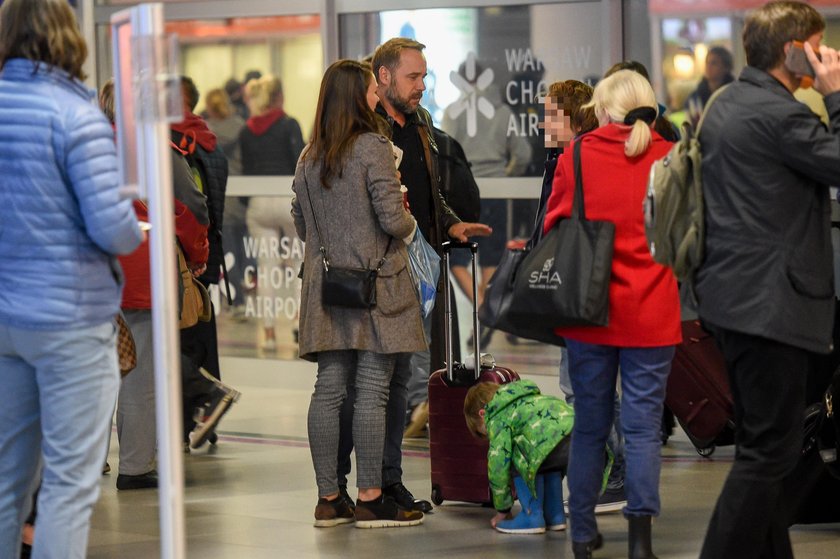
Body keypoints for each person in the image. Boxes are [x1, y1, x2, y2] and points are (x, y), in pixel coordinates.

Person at [694, 3, 840, 558]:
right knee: (768, 456)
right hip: (770, 307)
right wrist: (835, 94)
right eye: (819, 44)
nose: (827, 55)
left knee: (768, 450)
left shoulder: (729, 101)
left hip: (737, 303)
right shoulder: (780, 115)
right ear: (792, 51)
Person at [0, 0, 143, 556]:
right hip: (69, 321)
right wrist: (134, 222)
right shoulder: (74, 113)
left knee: (8, 480)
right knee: (68, 483)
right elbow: (112, 228)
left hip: (6, 318)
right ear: (68, 38)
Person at [543, 70, 681, 559]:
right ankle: (640, 541)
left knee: (590, 425)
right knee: (643, 428)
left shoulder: (577, 154)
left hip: (590, 311)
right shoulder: (670, 156)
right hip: (653, 310)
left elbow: (554, 223)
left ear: (602, 109)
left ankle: (582, 535)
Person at [291, 58, 426, 528]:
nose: (376, 96)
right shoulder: (373, 148)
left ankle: (329, 498)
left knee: (328, 389)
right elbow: (393, 219)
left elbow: (302, 223)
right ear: (356, 96)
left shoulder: (309, 156)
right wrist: (409, 223)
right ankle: (371, 497)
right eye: (371, 89)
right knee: (372, 390)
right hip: (377, 285)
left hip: (327, 288)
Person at [370, 38, 493, 446]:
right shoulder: (368, 126)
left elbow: (433, 191)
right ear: (384, 76)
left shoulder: (421, 121)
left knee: (422, 345)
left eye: (424, 75)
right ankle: (396, 421)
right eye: (412, 76)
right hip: (384, 257)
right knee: (387, 354)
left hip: (423, 254)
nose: (421, 85)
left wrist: (453, 225)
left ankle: (416, 410)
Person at [442, 55, 532, 348]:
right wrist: (506, 174)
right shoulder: (503, 112)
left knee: (456, 259)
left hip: (462, 194)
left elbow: (443, 155)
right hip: (495, 193)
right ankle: (489, 311)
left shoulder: (453, 114)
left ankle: (483, 309)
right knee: (491, 259)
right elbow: (524, 155)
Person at [171, 76, 239, 448]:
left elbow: (190, 205)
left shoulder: (178, 142)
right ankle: (204, 419)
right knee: (198, 335)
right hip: (205, 254)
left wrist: (193, 254)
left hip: (186, 256)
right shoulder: (210, 142)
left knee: (179, 339)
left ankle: (191, 417)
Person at [240, 74, 305, 351]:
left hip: (258, 202)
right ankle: (297, 323)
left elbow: (244, 168)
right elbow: (300, 163)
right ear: (279, 97)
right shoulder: (289, 125)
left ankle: (267, 333)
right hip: (285, 199)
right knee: (299, 262)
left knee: (266, 268)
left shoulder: (247, 130)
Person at [463, 380, 574, 535]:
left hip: (550, 445)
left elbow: (498, 468)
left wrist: (503, 509)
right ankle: (555, 516)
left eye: (485, 433)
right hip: (577, 438)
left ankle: (532, 517)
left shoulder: (497, 416)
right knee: (546, 463)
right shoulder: (529, 399)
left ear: (483, 414)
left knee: (516, 455)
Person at [685, 46, 735, 128]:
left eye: (714, 63)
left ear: (726, 68)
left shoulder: (734, 93)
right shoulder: (695, 98)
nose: (708, 67)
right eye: (707, 63)